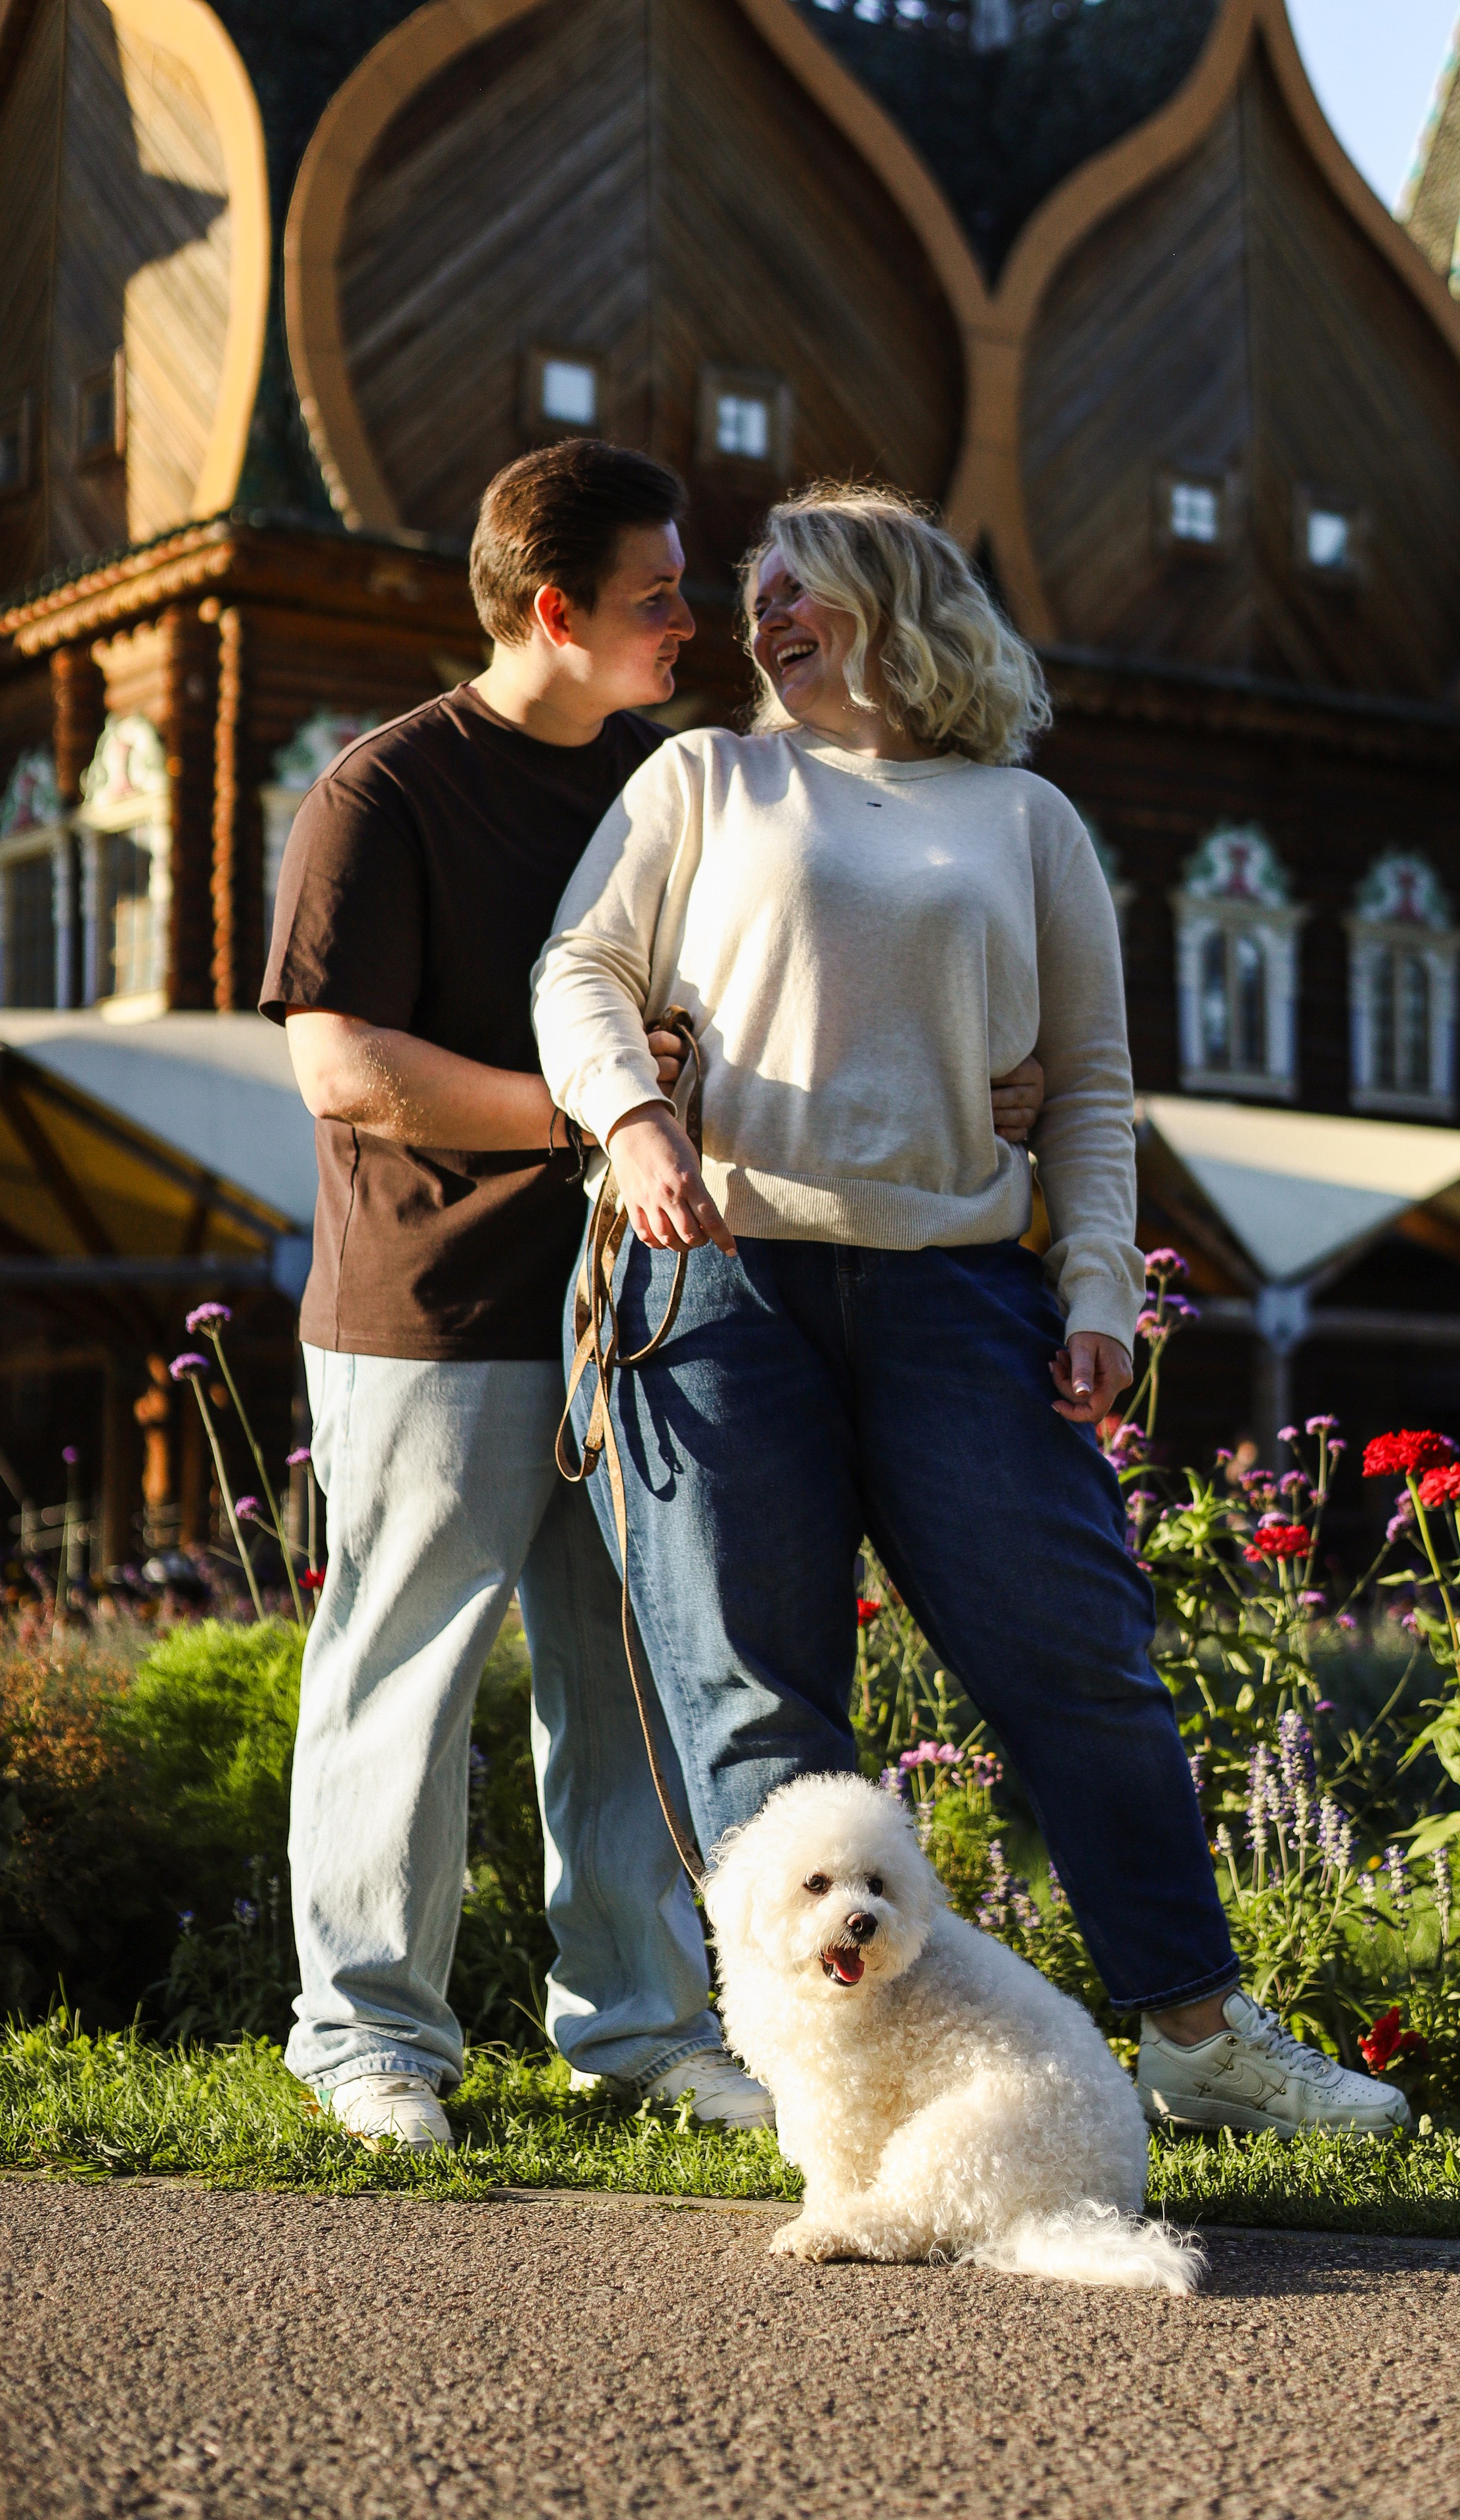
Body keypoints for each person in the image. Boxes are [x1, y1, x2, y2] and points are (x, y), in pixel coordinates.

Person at [532, 482, 1409, 2138]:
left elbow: (1085, 1081)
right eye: (750, 596)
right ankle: (816, 2082)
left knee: (1078, 1661)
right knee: (757, 1706)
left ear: (888, 600)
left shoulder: (1023, 818)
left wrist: (1094, 1286)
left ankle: (1201, 2040)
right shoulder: (705, 778)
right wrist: (631, 1121)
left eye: (796, 588)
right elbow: (579, 970)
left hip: (960, 1292)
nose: (758, 619)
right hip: (713, 1273)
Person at [263, 446, 1045, 2151]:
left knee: (628, 1683)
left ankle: (633, 2029)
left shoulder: (669, 777)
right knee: (400, 1675)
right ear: (554, 612)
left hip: (660, 1316)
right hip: (436, 1317)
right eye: (656, 598)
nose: (696, 624)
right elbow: (342, 1064)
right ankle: (368, 2041)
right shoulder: (384, 792)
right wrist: (592, 1117)